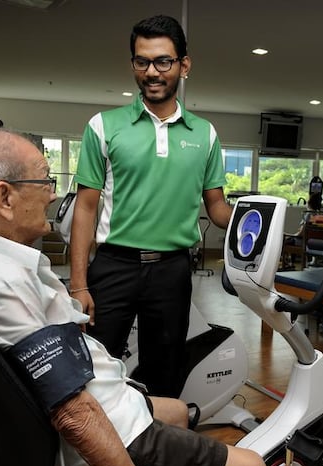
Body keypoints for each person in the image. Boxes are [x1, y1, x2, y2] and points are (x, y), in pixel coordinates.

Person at [0, 129, 266, 466]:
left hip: (109, 400)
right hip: (106, 428)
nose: (51, 193)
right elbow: (75, 416)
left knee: (179, 411)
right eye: (44, 180)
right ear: (5, 198)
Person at [69, 14, 233, 397]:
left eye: (163, 61)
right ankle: (102, 456)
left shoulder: (205, 135)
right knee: (95, 368)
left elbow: (217, 207)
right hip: (113, 266)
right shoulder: (103, 126)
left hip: (172, 270)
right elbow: (85, 209)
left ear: (184, 65)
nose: (152, 72)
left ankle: (156, 451)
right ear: (133, 65)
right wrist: (78, 284)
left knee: (165, 372)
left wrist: (253, 220)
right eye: (142, 61)